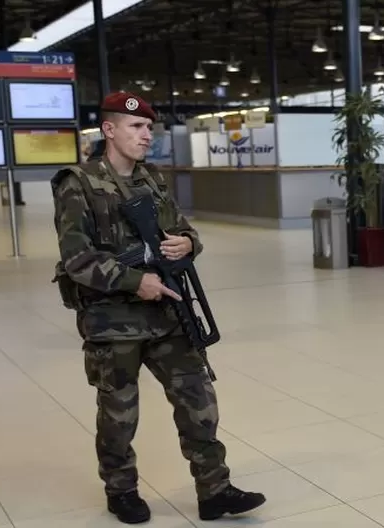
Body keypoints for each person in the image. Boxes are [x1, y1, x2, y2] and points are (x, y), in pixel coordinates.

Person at [51, 92, 266, 525]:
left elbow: (183, 230)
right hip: (114, 322)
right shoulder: (78, 182)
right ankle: (121, 490)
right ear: (109, 130)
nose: (146, 134)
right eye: (136, 127)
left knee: (199, 399)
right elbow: (77, 261)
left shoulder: (152, 180)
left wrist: (188, 242)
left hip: (167, 313)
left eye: (149, 127)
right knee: (119, 413)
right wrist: (136, 280)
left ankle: (215, 490)